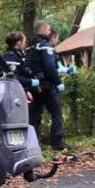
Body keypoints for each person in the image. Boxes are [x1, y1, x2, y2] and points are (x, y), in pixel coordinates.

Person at [25, 20, 69, 150]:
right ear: (43, 30)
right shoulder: (45, 45)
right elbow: (49, 67)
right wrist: (58, 82)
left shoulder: (29, 46)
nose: (49, 32)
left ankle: (33, 143)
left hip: (34, 86)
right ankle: (56, 141)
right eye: (48, 29)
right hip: (46, 85)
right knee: (56, 112)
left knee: (34, 116)